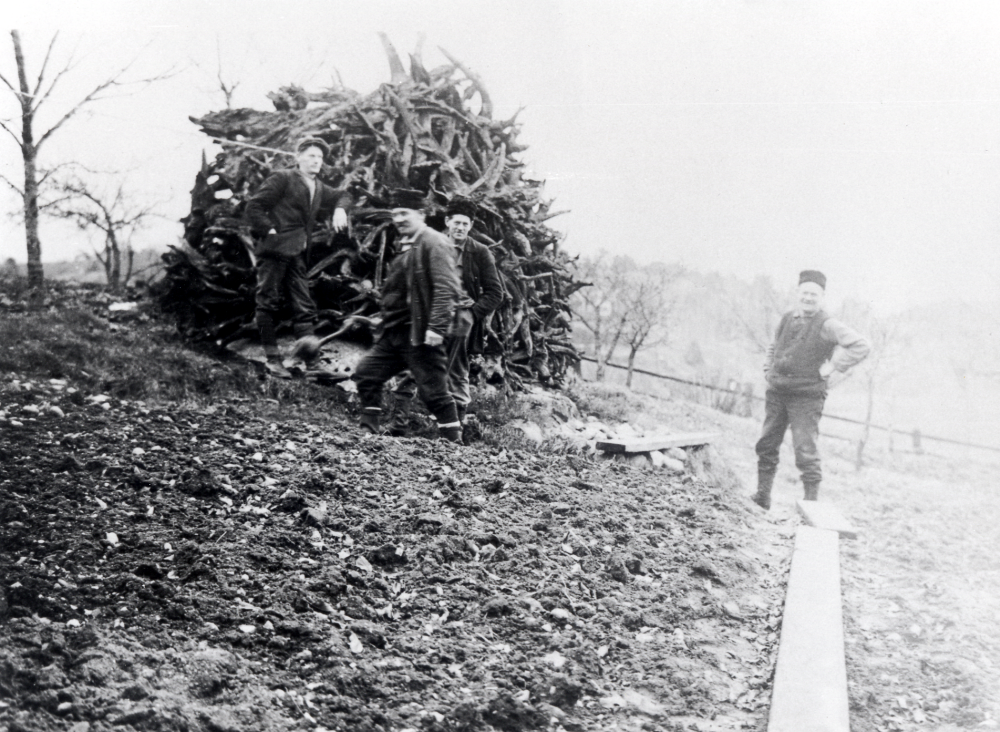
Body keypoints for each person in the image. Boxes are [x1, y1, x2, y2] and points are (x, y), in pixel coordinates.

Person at [351, 189, 464, 442]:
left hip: (420, 334)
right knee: (366, 373)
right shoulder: (405, 244)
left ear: (421, 214)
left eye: (405, 213)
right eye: (395, 214)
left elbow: (447, 288)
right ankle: (369, 432)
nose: (399, 219)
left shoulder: (434, 242)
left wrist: (436, 327)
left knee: (434, 392)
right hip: (395, 332)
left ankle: (454, 444)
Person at [752, 270, 870, 508]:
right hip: (777, 392)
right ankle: (762, 497)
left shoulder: (827, 324)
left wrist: (833, 366)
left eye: (814, 294)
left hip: (806, 397)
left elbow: (861, 345)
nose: (808, 298)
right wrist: (768, 370)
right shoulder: (787, 318)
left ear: (822, 296)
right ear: (798, 293)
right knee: (766, 444)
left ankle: (811, 507)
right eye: (804, 293)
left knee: (805, 450)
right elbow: (773, 346)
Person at [389, 197, 504, 432]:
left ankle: (456, 429)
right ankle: (399, 423)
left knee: (458, 372)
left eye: (465, 223)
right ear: (447, 221)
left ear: (471, 225)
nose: (460, 228)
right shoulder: (429, 244)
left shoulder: (480, 252)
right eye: (456, 222)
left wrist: (471, 315)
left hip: (461, 320)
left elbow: (495, 293)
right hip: (430, 317)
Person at [244, 137, 351, 379]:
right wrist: (270, 231)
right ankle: (273, 361)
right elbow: (255, 206)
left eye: (320, 158)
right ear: (298, 157)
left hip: (298, 254)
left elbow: (344, 194)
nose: (316, 161)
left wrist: (340, 209)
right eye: (312, 155)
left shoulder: (319, 187)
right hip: (274, 251)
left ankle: (312, 366)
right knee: (267, 302)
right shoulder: (283, 178)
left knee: (304, 304)